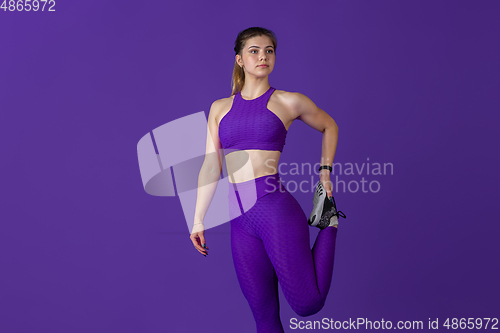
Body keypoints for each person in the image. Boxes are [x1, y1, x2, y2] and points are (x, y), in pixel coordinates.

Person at [190, 26, 341, 333]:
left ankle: (329, 223)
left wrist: (324, 173)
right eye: (254, 51)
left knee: (307, 304)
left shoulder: (288, 101)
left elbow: (329, 126)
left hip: (273, 209)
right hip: (239, 218)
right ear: (240, 60)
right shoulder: (220, 108)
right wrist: (197, 219)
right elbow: (210, 166)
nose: (263, 56)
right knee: (264, 319)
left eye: (269, 51)